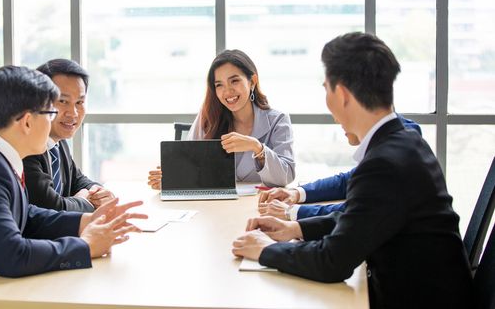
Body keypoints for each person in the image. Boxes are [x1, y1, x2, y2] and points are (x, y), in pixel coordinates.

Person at [232, 32, 472, 308]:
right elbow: (357, 220)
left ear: (342, 94)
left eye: (326, 89)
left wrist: (265, 250)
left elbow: (332, 262)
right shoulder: (404, 141)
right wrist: (294, 228)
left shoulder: (383, 165)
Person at [0, 66, 147, 309]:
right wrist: (86, 246)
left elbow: (24, 215)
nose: (54, 121)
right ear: (28, 122)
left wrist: (85, 221)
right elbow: (11, 256)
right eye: (51, 113)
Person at [148, 49, 295, 188]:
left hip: (259, 206)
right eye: (219, 85)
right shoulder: (208, 119)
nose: (227, 91)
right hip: (215, 207)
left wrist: (257, 147)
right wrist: (171, 181)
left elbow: (286, 176)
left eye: (234, 81)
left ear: (252, 81)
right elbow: (191, 168)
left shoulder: (278, 121)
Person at [258, 116, 421, 221]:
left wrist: (292, 213)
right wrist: (296, 193)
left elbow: (354, 212)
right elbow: (349, 180)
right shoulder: (397, 133)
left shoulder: (390, 153)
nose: (336, 119)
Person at [23, 59, 114, 212]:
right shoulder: (26, 148)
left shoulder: (58, 142)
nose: (73, 113)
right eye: (63, 101)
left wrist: (98, 192)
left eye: (80, 102)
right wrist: (83, 201)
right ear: (37, 102)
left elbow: (78, 180)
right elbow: (51, 207)